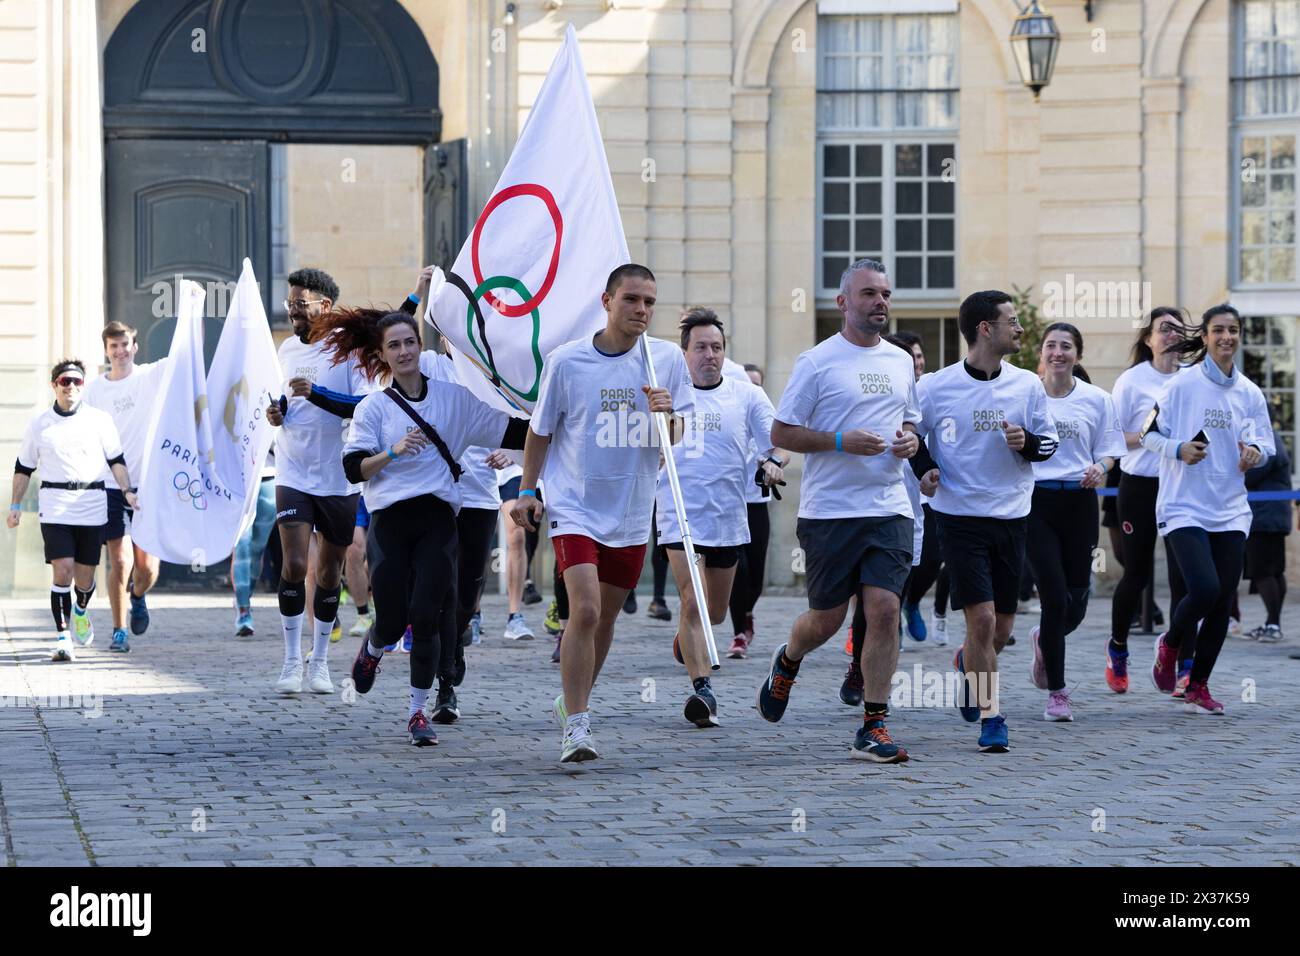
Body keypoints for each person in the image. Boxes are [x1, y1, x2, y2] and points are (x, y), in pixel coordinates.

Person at [513, 264, 693, 764]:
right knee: (585, 610)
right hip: (575, 505)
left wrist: (668, 416)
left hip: (633, 507)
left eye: (649, 302)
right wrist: (529, 489)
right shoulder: (568, 361)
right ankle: (577, 723)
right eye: (632, 299)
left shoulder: (665, 362)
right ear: (607, 300)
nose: (641, 310)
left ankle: (572, 699)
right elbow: (541, 430)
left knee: (606, 619)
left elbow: (676, 441)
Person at [333, 307, 528, 744]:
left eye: (409, 342)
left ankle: (417, 712)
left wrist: (555, 411)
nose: (404, 351)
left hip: (440, 518)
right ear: (383, 355)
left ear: (421, 347)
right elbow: (353, 469)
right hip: (390, 520)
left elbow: (514, 432)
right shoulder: (373, 409)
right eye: (394, 345)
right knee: (393, 617)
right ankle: (374, 647)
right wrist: (393, 452)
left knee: (427, 614)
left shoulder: (454, 399)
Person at [756, 258, 920, 763]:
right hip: (830, 512)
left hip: (890, 507)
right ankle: (788, 660)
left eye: (886, 294)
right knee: (826, 621)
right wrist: (840, 441)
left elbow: (911, 423)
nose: (880, 303)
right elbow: (781, 433)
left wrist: (910, 443)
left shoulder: (898, 360)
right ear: (843, 302)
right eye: (869, 294)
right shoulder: (817, 361)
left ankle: (873, 723)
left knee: (884, 609)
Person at [910, 290, 1059, 753]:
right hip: (957, 518)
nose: (1019, 329)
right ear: (985, 329)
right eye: (1011, 322)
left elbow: (1050, 443)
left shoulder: (1027, 386)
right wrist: (926, 469)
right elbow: (912, 433)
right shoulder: (936, 385)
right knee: (982, 620)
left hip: (1013, 516)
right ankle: (993, 719)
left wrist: (1027, 443)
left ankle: (968, 664)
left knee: (1001, 631)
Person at [1147, 304, 1273, 713]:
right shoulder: (1180, 386)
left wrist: (1255, 453)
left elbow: (1265, 443)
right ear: (1204, 336)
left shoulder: (1250, 393)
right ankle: (1169, 643)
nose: (1227, 337)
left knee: (1221, 600)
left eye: (1233, 330)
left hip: (1231, 508)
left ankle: (1198, 684)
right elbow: (1147, 436)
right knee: (1204, 587)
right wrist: (1178, 449)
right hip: (1184, 504)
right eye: (1218, 329)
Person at [660, 307, 780, 726]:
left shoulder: (744, 393)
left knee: (713, 613)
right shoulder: (666, 395)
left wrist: (772, 463)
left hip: (728, 516)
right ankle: (702, 691)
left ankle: (688, 640)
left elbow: (774, 440)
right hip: (679, 515)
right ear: (684, 353)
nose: (709, 354)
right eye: (700, 347)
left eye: (716, 347)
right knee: (691, 601)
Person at [265, 267, 365, 696]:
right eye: (290, 305)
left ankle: (320, 661)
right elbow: (284, 398)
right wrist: (277, 412)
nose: (293, 313)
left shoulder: (348, 352)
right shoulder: (286, 350)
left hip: (338, 477)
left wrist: (317, 395)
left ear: (324, 306)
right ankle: (291, 659)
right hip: (292, 471)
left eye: (300, 305)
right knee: (295, 565)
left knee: (328, 573)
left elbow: (362, 405)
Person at [1025, 324, 1125, 721]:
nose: (1058, 352)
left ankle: (1043, 640)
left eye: (1066, 346)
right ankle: (1058, 693)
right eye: (1051, 345)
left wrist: (1100, 467)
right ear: (1042, 354)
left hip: (1080, 503)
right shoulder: (1025, 396)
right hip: (1036, 502)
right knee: (1052, 596)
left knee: (1076, 603)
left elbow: (1111, 451)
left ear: (1077, 355)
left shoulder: (1096, 400)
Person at [10, 360, 135, 660]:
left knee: (84, 579)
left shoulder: (100, 420)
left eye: (77, 382)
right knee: (62, 571)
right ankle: (63, 636)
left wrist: (128, 491)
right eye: (65, 381)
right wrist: (15, 505)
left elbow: (116, 460)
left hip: (92, 505)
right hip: (55, 506)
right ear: (54, 385)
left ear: (83, 386)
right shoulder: (40, 424)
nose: (71, 387)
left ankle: (80, 608)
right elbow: (23, 467)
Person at [842, 330, 933, 707]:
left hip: (917, 510)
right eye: (909, 359)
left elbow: (930, 442)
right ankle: (862, 674)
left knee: (898, 592)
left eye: (919, 359)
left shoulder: (926, 393)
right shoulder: (870, 399)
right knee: (878, 602)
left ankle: (905, 614)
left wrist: (929, 470)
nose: (915, 366)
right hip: (874, 510)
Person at [1106, 308, 1189, 693]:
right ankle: (1118, 648)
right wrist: (1152, 435)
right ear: (1148, 339)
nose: (1172, 335)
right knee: (1137, 574)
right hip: (1139, 483)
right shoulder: (1132, 381)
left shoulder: (1192, 379)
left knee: (1183, 579)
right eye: (1164, 329)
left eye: (1177, 328)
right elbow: (1113, 438)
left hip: (1182, 486)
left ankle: (1182, 658)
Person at [82, 321, 166, 651]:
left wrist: (195, 307)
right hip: (109, 485)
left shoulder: (148, 376)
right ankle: (119, 630)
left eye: (124, 345)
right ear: (106, 350)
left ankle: (138, 595)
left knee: (146, 569)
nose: (119, 351)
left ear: (134, 347)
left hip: (148, 485)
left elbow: (186, 354)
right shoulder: (94, 390)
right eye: (113, 346)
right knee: (119, 560)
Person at [728, 362, 783, 658]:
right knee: (739, 570)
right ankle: (738, 633)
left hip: (757, 504)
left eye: (756, 385)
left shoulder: (765, 422)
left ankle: (747, 612)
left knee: (757, 576)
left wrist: (772, 463)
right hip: (731, 505)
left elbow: (781, 450)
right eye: (746, 384)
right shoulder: (730, 416)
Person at [1242, 419, 1291, 642]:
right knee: (1274, 571)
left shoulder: (1266, 444)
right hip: (1272, 515)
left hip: (1264, 516)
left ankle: (1273, 624)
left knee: (1263, 571)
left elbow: (1250, 475)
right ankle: (1272, 622)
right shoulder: (1273, 440)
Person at [231, 446, 279, 637]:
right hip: (238, 479)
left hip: (270, 475)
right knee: (241, 545)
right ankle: (243, 610)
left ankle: (245, 597)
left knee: (257, 549)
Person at [492, 452, 536, 640]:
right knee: (474, 542)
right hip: (475, 471)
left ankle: (514, 615)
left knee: (517, 535)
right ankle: (472, 613)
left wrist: (515, 453)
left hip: (514, 472)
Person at [345, 496, 373, 639]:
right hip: (355, 491)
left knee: (377, 553)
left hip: (382, 487)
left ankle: (372, 594)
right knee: (353, 550)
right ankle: (363, 615)